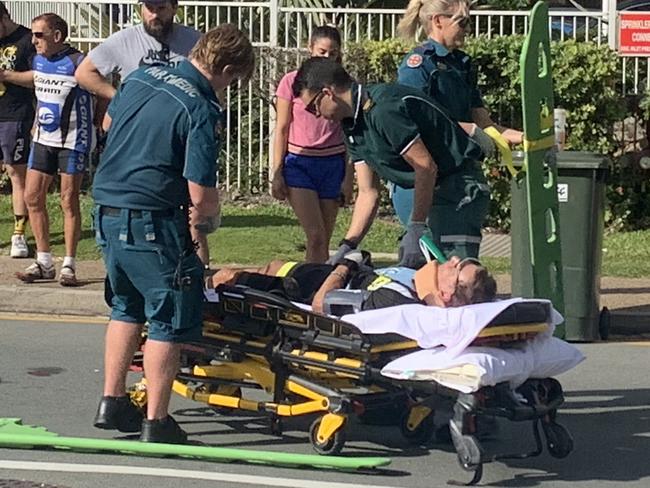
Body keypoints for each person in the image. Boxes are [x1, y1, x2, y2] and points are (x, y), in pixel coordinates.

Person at [91, 24, 254, 444]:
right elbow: (200, 191)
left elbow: (109, 123)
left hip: (108, 207)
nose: (228, 88)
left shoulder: (141, 75)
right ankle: (157, 420)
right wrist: (205, 226)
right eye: (232, 80)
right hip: (151, 216)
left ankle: (111, 400)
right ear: (227, 68)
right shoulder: (199, 105)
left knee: (126, 303)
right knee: (167, 314)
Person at [292, 57, 487, 269]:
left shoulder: (383, 110)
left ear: (328, 93)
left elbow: (425, 167)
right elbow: (368, 193)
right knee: (427, 278)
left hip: (459, 189)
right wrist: (348, 245)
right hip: (435, 193)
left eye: (313, 107)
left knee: (458, 278)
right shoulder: (350, 124)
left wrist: (416, 227)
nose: (316, 115)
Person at [74, 0, 212, 267]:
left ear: (174, 8)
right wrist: (120, 101)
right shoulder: (124, 40)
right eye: (148, 8)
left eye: (160, 8)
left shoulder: (195, 42)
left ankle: (199, 280)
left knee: (195, 214)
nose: (153, 14)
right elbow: (84, 72)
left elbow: (211, 81)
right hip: (142, 140)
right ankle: (148, 269)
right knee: (149, 206)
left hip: (181, 135)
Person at [394, 0, 523, 258]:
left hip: (460, 177)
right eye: (461, 22)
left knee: (463, 262)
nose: (467, 29)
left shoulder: (462, 63)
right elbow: (414, 121)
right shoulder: (419, 65)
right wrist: (468, 130)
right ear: (437, 21)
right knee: (431, 265)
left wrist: (525, 138)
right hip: (430, 179)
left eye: (469, 22)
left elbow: (485, 124)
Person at [14, 14, 93, 286]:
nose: (33, 40)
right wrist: (36, 122)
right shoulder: (38, 60)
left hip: (72, 140)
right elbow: (39, 92)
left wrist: (99, 123)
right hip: (43, 139)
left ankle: (69, 264)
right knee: (32, 196)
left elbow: (103, 89)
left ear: (57, 36)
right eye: (33, 34)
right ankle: (44, 260)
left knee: (67, 199)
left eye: (39, 35)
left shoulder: (78, 62)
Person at [272, 25, 350, 263]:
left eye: (333, 53)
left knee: (323, 240)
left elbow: (351, 134)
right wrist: (277, 172)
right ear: (310, 48)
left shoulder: (344, 85)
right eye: (322, 51)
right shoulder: (292, 81)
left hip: (332, 163)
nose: (327, 58)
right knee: (315, 235)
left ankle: (315, 287)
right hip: (300, 164)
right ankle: (310, 287)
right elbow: (282, 127)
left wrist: (349, 178)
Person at [209, 251, 497, 314]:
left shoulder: (397, 302)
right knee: (270, 264)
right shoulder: (417, 282)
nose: (453, 258)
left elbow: (323, 305)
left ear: (447, 294)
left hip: (309, 291)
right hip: (327, 276)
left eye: (458, 267)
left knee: (226, 279)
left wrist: (346, 265)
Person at [0, 1, 35, 258]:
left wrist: (6, 76)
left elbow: (39, 77)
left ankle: (19, 233)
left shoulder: (26, 39)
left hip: (15, 115)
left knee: (16, 173)